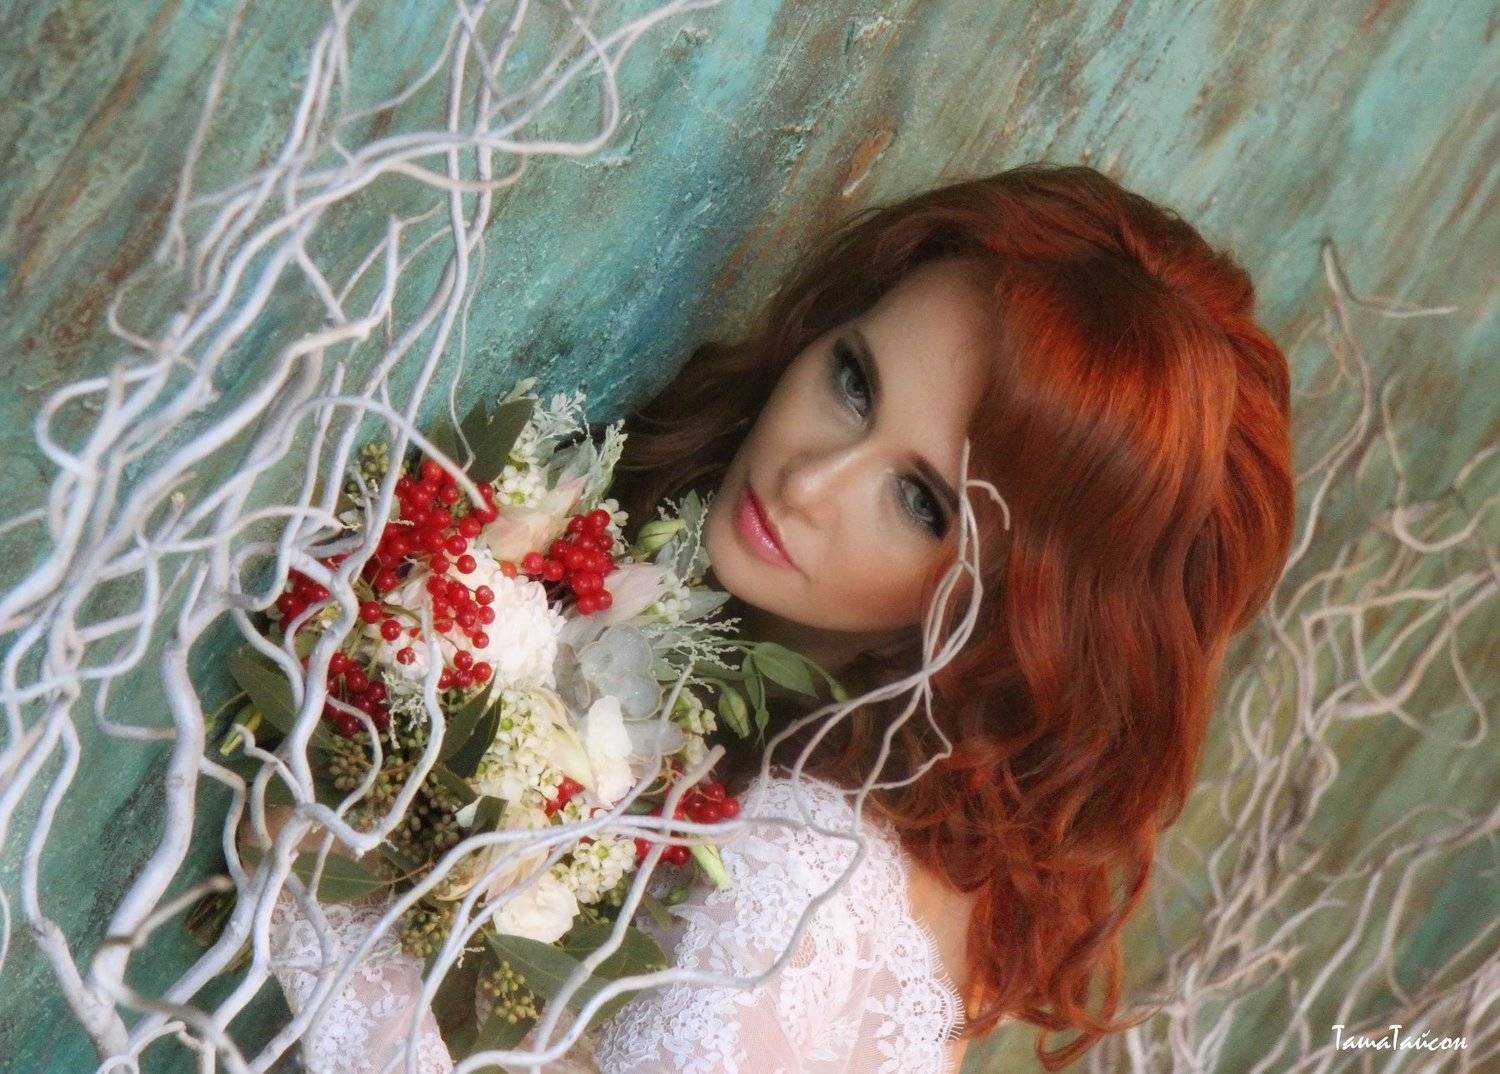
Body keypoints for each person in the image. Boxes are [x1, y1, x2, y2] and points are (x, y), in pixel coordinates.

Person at [263, 162, 1296, 1073]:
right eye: (853, 381)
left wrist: (325, 896)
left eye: (918, 500)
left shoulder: (804, 876)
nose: (809, 481)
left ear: (1017, 609)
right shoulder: (870, 809)